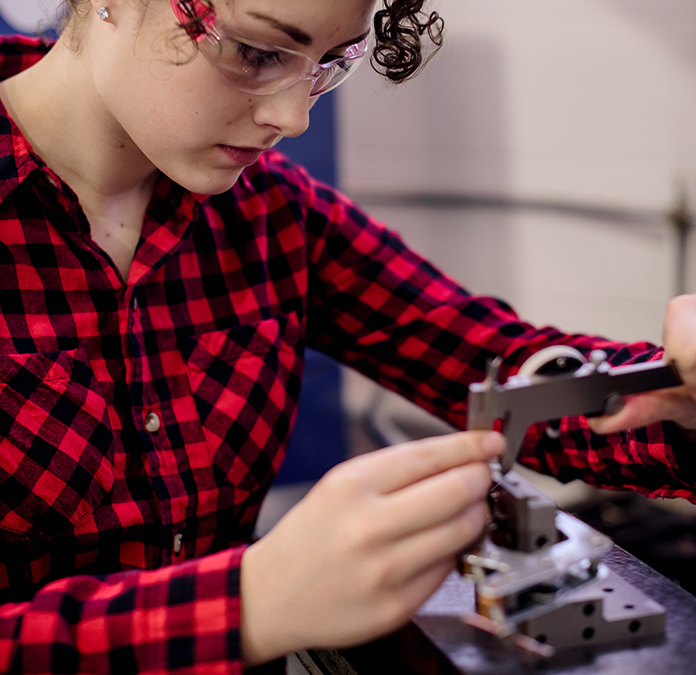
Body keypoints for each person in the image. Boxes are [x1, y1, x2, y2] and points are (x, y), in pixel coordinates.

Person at [0, 0, 692, 672]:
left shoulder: (273, 214)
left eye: (329, 63)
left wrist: (676, 392)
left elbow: (495, 362)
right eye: (255, 51)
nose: (293, 117)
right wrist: (253, 603)